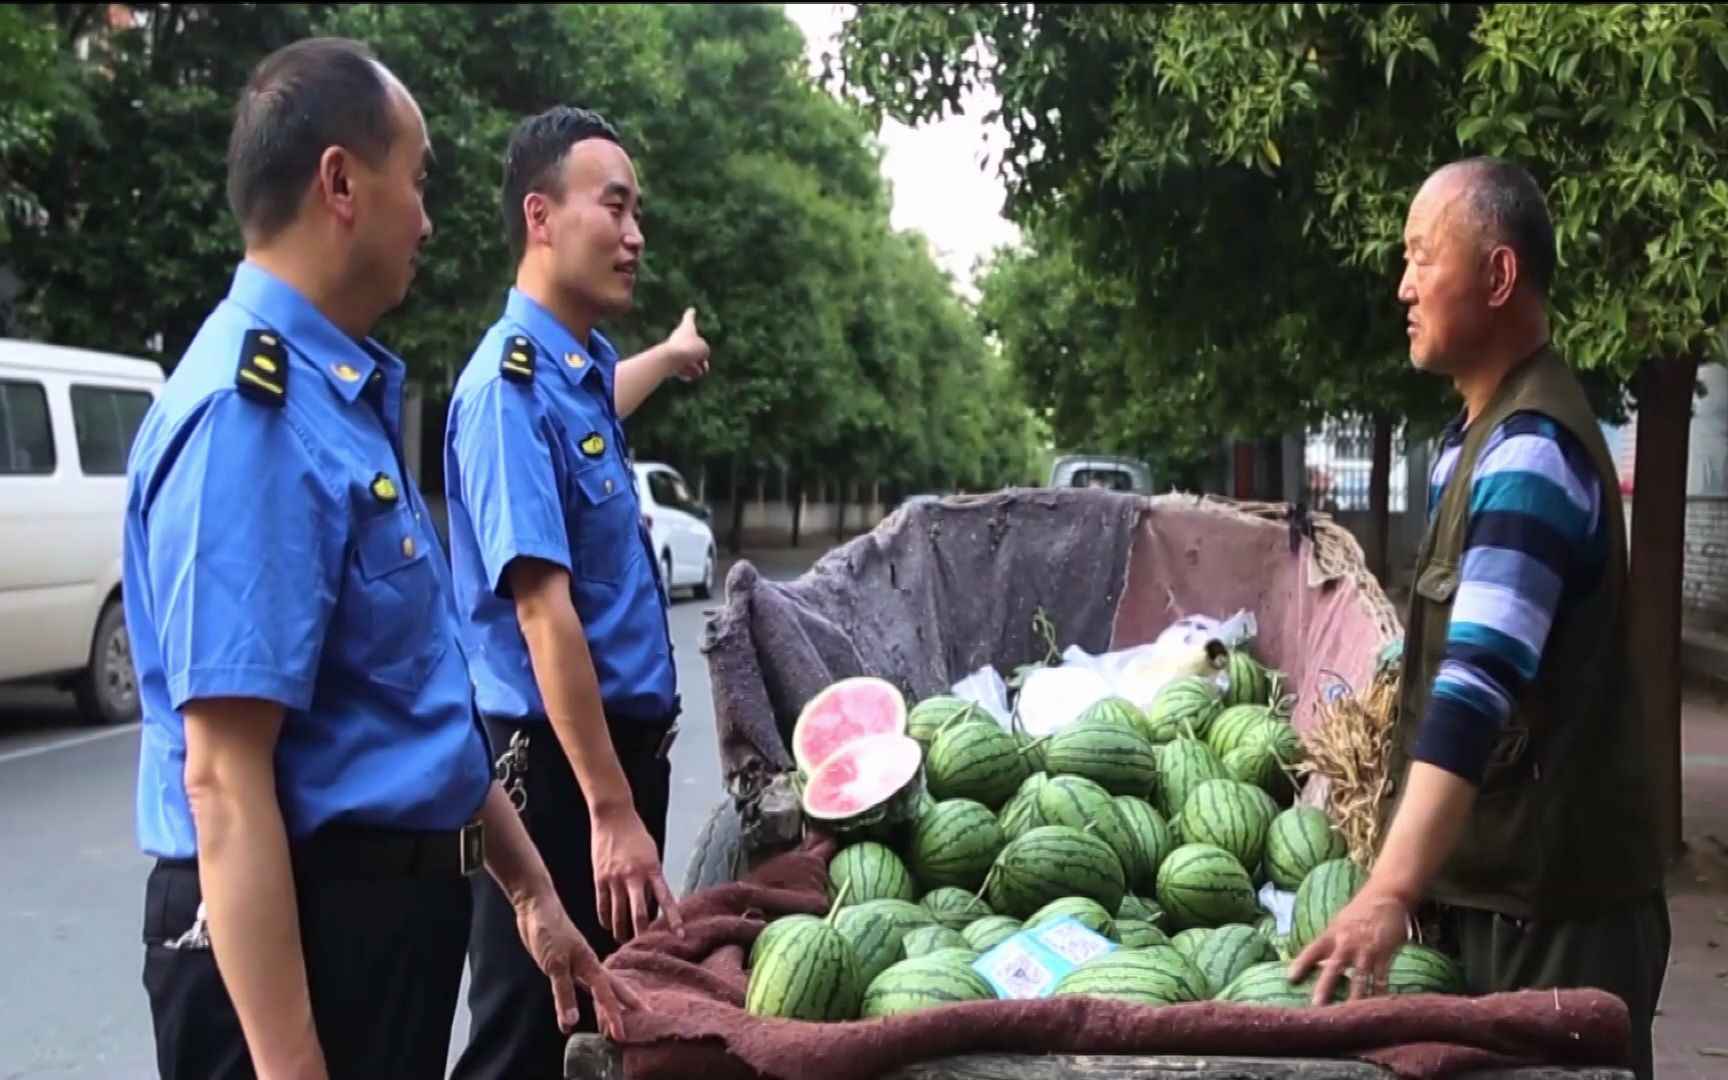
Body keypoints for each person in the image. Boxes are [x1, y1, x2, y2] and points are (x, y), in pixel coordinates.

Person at [125, 38, 638, 1080]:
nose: (429, 219)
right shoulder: (249, 416)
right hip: (304, 941)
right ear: (341, 183)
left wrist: (533, 892)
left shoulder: (334, 403)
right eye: (417, 180)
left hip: (381, 929)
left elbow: (416, 708)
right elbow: (224, 780)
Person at [1290, 157, 1671, 1079]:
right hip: (1503, 896)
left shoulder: (1529, 452)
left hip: (1557, 915)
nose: (1403, 284)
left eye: (1424, 258)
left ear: (1498, 277)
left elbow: (1477, 685)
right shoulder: (1472, 441)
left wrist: (1390, 886)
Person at [443, 104, 707, 1080]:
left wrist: (671, 361)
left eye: (639, 214)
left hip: (609, 770)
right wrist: (608, 810)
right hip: (554, 783)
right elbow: (541, 612)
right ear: (541, 217)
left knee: (602, 1033)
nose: (636, 235)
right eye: (616, 207)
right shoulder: (509, 390)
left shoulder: (574, 373)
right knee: (529, 1038)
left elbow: (599, 412)